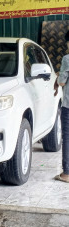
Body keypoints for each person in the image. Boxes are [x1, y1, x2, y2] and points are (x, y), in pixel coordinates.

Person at [54, 30, 69, 183]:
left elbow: (62, 82)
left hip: (68, 105)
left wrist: (58, 76)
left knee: (67, 138)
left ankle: (67, 174)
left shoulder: (67, 58)